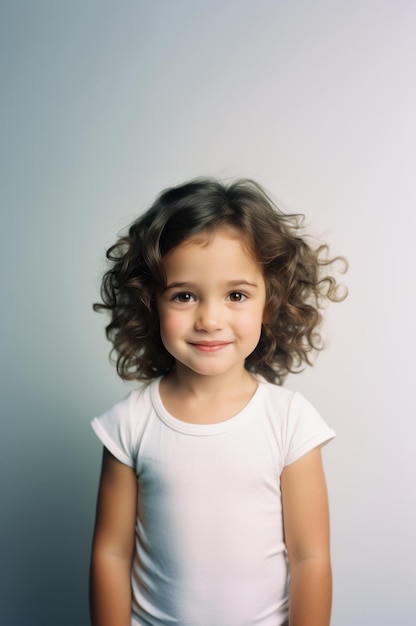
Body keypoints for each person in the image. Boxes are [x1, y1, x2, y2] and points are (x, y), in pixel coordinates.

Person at [89, 177, 346, 626]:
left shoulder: (290, 422)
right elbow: (111, 553)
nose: (210, 318)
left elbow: (310, 558)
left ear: (270, 303)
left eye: (236, 295)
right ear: (152, 303)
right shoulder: (128, 424)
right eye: (184, 295)